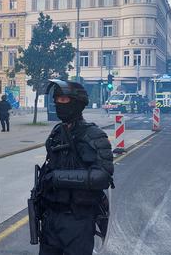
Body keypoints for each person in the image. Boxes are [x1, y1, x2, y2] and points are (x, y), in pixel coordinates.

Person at [33, 79, 113, 254]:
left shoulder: (94, 135)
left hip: (78, 220)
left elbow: (103, 177)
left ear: (77, 103)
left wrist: (58, 178)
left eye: (63, 100)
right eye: (56, 100)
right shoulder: (56, 133)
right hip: (51, 219)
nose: (58, 104)